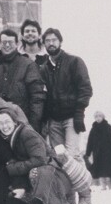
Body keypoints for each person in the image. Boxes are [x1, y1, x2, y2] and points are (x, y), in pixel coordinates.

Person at [0, 109, 72, 204]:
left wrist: (11, 169)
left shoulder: (27, 133)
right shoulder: (6, 140)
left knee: (35, 172)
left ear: (14, 122)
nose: (4, 126)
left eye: (7, 121)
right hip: (34, 179)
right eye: (1, 123)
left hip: (52, 174)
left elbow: (40, 159)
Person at [38, 28, 93, 161]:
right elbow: (43, 95)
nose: (51, 43)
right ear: (44, 44)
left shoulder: (74, 62)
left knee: (72, 155)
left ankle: (82, 182)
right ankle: (66, 182)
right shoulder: (43, 69)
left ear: (60, 42)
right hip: (54, 121)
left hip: (71, 118)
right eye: (47, 41)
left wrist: (79, 112)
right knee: (59, 157)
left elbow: (85, 88)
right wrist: (45, 120)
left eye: (54, 40)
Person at [0, 29, 45, 131]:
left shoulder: (28, 65)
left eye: (10, 42)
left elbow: (37, 97)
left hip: (22, 121)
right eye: (4, 42)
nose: (7, 45)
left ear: (16, 44)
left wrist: (34, 124)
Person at [85, 111, 111, 190]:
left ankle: (109, 184)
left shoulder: (108, 127)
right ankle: (103, 185)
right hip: (97, 153)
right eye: (96, 116)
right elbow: (90, 141)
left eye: (99, 116)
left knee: (107, 168)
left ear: (103, 117)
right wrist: (88, 152)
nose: (98, 118)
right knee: (99, 169)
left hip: (107, 152)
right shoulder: (93, 129)